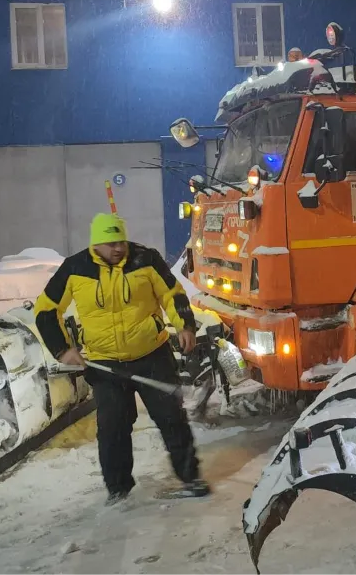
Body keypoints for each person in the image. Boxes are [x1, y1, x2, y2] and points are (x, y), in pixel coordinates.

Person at [34, 213, 209, 503]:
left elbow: (172, 294)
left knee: (171, 419)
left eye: (121, 241)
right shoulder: (75, 268)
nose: (118, 248)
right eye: (110, 243)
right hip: (105, 365)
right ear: (96, 245)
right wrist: (62, 348)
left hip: (152, 355)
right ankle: (118, 489)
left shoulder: (145, 259)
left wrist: (185, 325)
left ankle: (191, 478)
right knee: (113, 427)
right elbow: (45, 309)